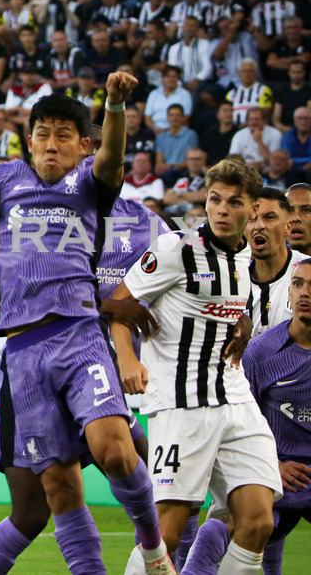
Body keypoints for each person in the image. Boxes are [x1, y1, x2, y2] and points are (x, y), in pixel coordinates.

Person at [0, 78, 176, 575]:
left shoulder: (89, 184)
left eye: (63, 135)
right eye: (42, 133)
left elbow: (112, 158)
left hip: (80, 338)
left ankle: (153, 549)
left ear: (83, 145)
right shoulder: (6, 178)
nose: (51, 143)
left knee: (117, 451)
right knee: (58, 488)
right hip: (23, 353)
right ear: (29, 139)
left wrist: (115, 106)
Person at [110, 160, 283, 572]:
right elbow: (118, 304)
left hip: (236, 400)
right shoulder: (176, 250)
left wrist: (240, 322)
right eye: (214, 200)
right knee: (166, 534)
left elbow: (226, 306)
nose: (222, 210)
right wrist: (128, 358)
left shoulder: (244, 260)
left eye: (234, 202)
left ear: (252, 209)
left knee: (259, 521)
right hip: (181, 403)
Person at [241, 261, 311, 575]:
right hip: (274, 471)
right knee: (227, 524)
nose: (304, 293)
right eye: (297, 284)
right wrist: (271, 466)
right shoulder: (260, 352)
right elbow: (240, 424)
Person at [248, 188, 310, 336]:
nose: (259, 226)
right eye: (252, 218)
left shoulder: (306, 270)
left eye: (269, 217)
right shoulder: (230, 280)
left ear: (287, 227)